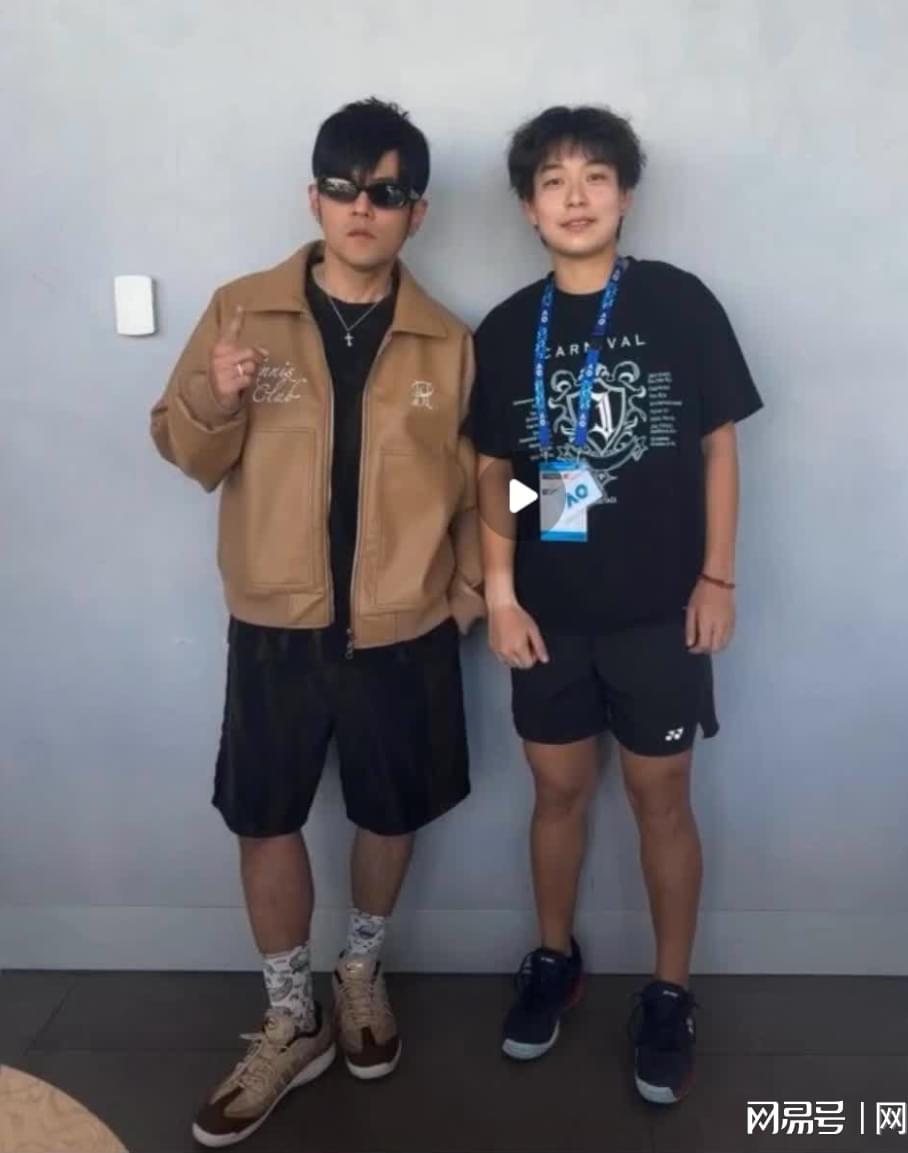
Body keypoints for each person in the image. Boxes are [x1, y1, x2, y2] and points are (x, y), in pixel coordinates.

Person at [150, 97, 483, 1147]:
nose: (360, 207)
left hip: (404, 630)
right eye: (342, 187)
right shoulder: (242, 312)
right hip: (276, 625)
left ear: (416, 212)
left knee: (393, 810)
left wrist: (470, 594)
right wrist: (216, 397)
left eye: (385, 191)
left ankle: (359, 971)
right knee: (266, 815)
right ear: (314, 198)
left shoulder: (448, 342)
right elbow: (185, 452)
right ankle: (291, 1014)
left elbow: (496, 486)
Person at [471, 104, 763, 1105]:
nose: (576, 196)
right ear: (528, 207)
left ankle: (670, 991)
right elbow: (499, 471)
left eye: (595, 176)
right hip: (549, 616)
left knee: (661, 799)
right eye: (553, 180)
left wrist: (717, 576)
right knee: (556, 793)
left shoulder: (679, 303)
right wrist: (501, 593)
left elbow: (718, 446)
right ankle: (554, 958)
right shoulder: (508, 328)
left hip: (660, 615)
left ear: (626, 195)